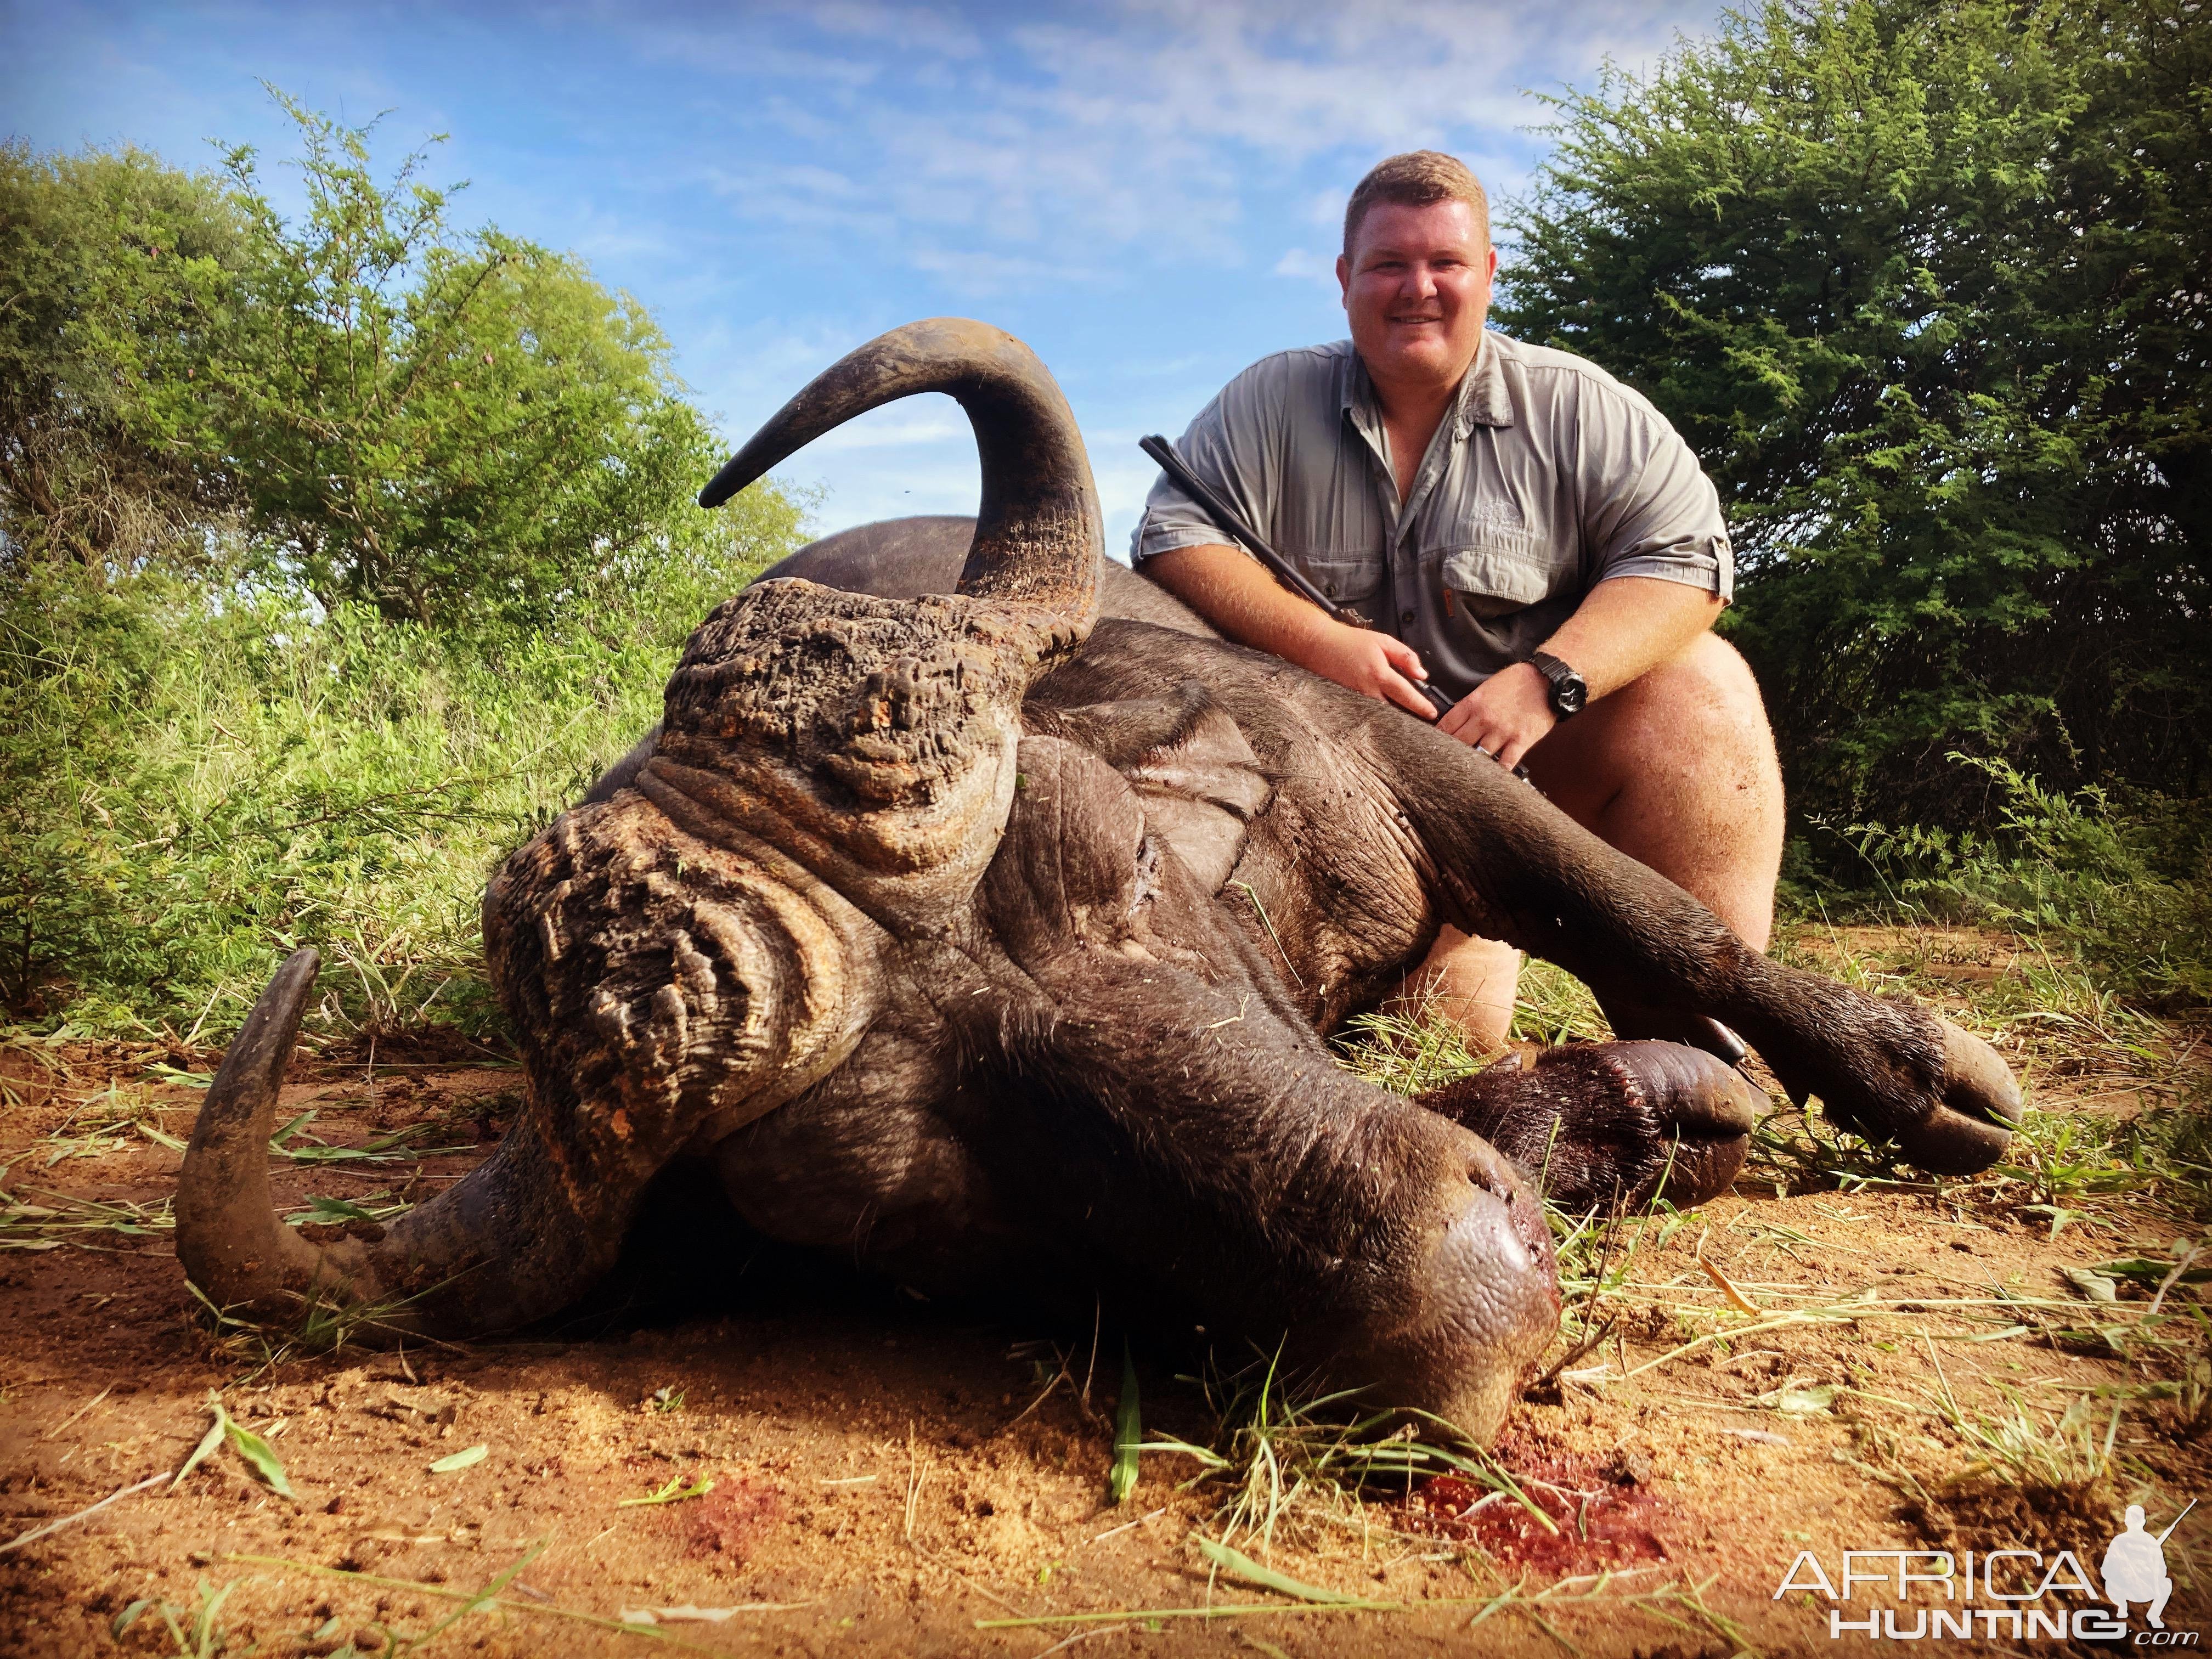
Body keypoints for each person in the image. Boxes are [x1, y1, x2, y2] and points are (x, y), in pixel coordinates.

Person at [1133, 150, 1784, 1051]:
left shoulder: (1582, 409)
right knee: (1437, 1050)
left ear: (1487, 273)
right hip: (1344, 807)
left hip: (1529, 773)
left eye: (1445, 263)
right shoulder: (1268, 399)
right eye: (1389, 264)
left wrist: (1547, 680)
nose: (1418, 288)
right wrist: (1320, 642)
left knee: (1703, 685)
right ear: (1344, 279)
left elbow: (1687, 565)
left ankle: (1710, 1039)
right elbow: (1173, 541)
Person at [2102, 1506, 2175, 1628]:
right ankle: (2153, 1614)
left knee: (2110, 1582)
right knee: (2166, 1584)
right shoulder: (2151, 1542)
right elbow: (2162, 1571)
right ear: (2143, 1522)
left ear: (2126, 1522)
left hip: (2126, 1590)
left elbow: (2106, 1570)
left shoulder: (2119, 1540)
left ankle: (2123, 1607)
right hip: (2143, 1591)